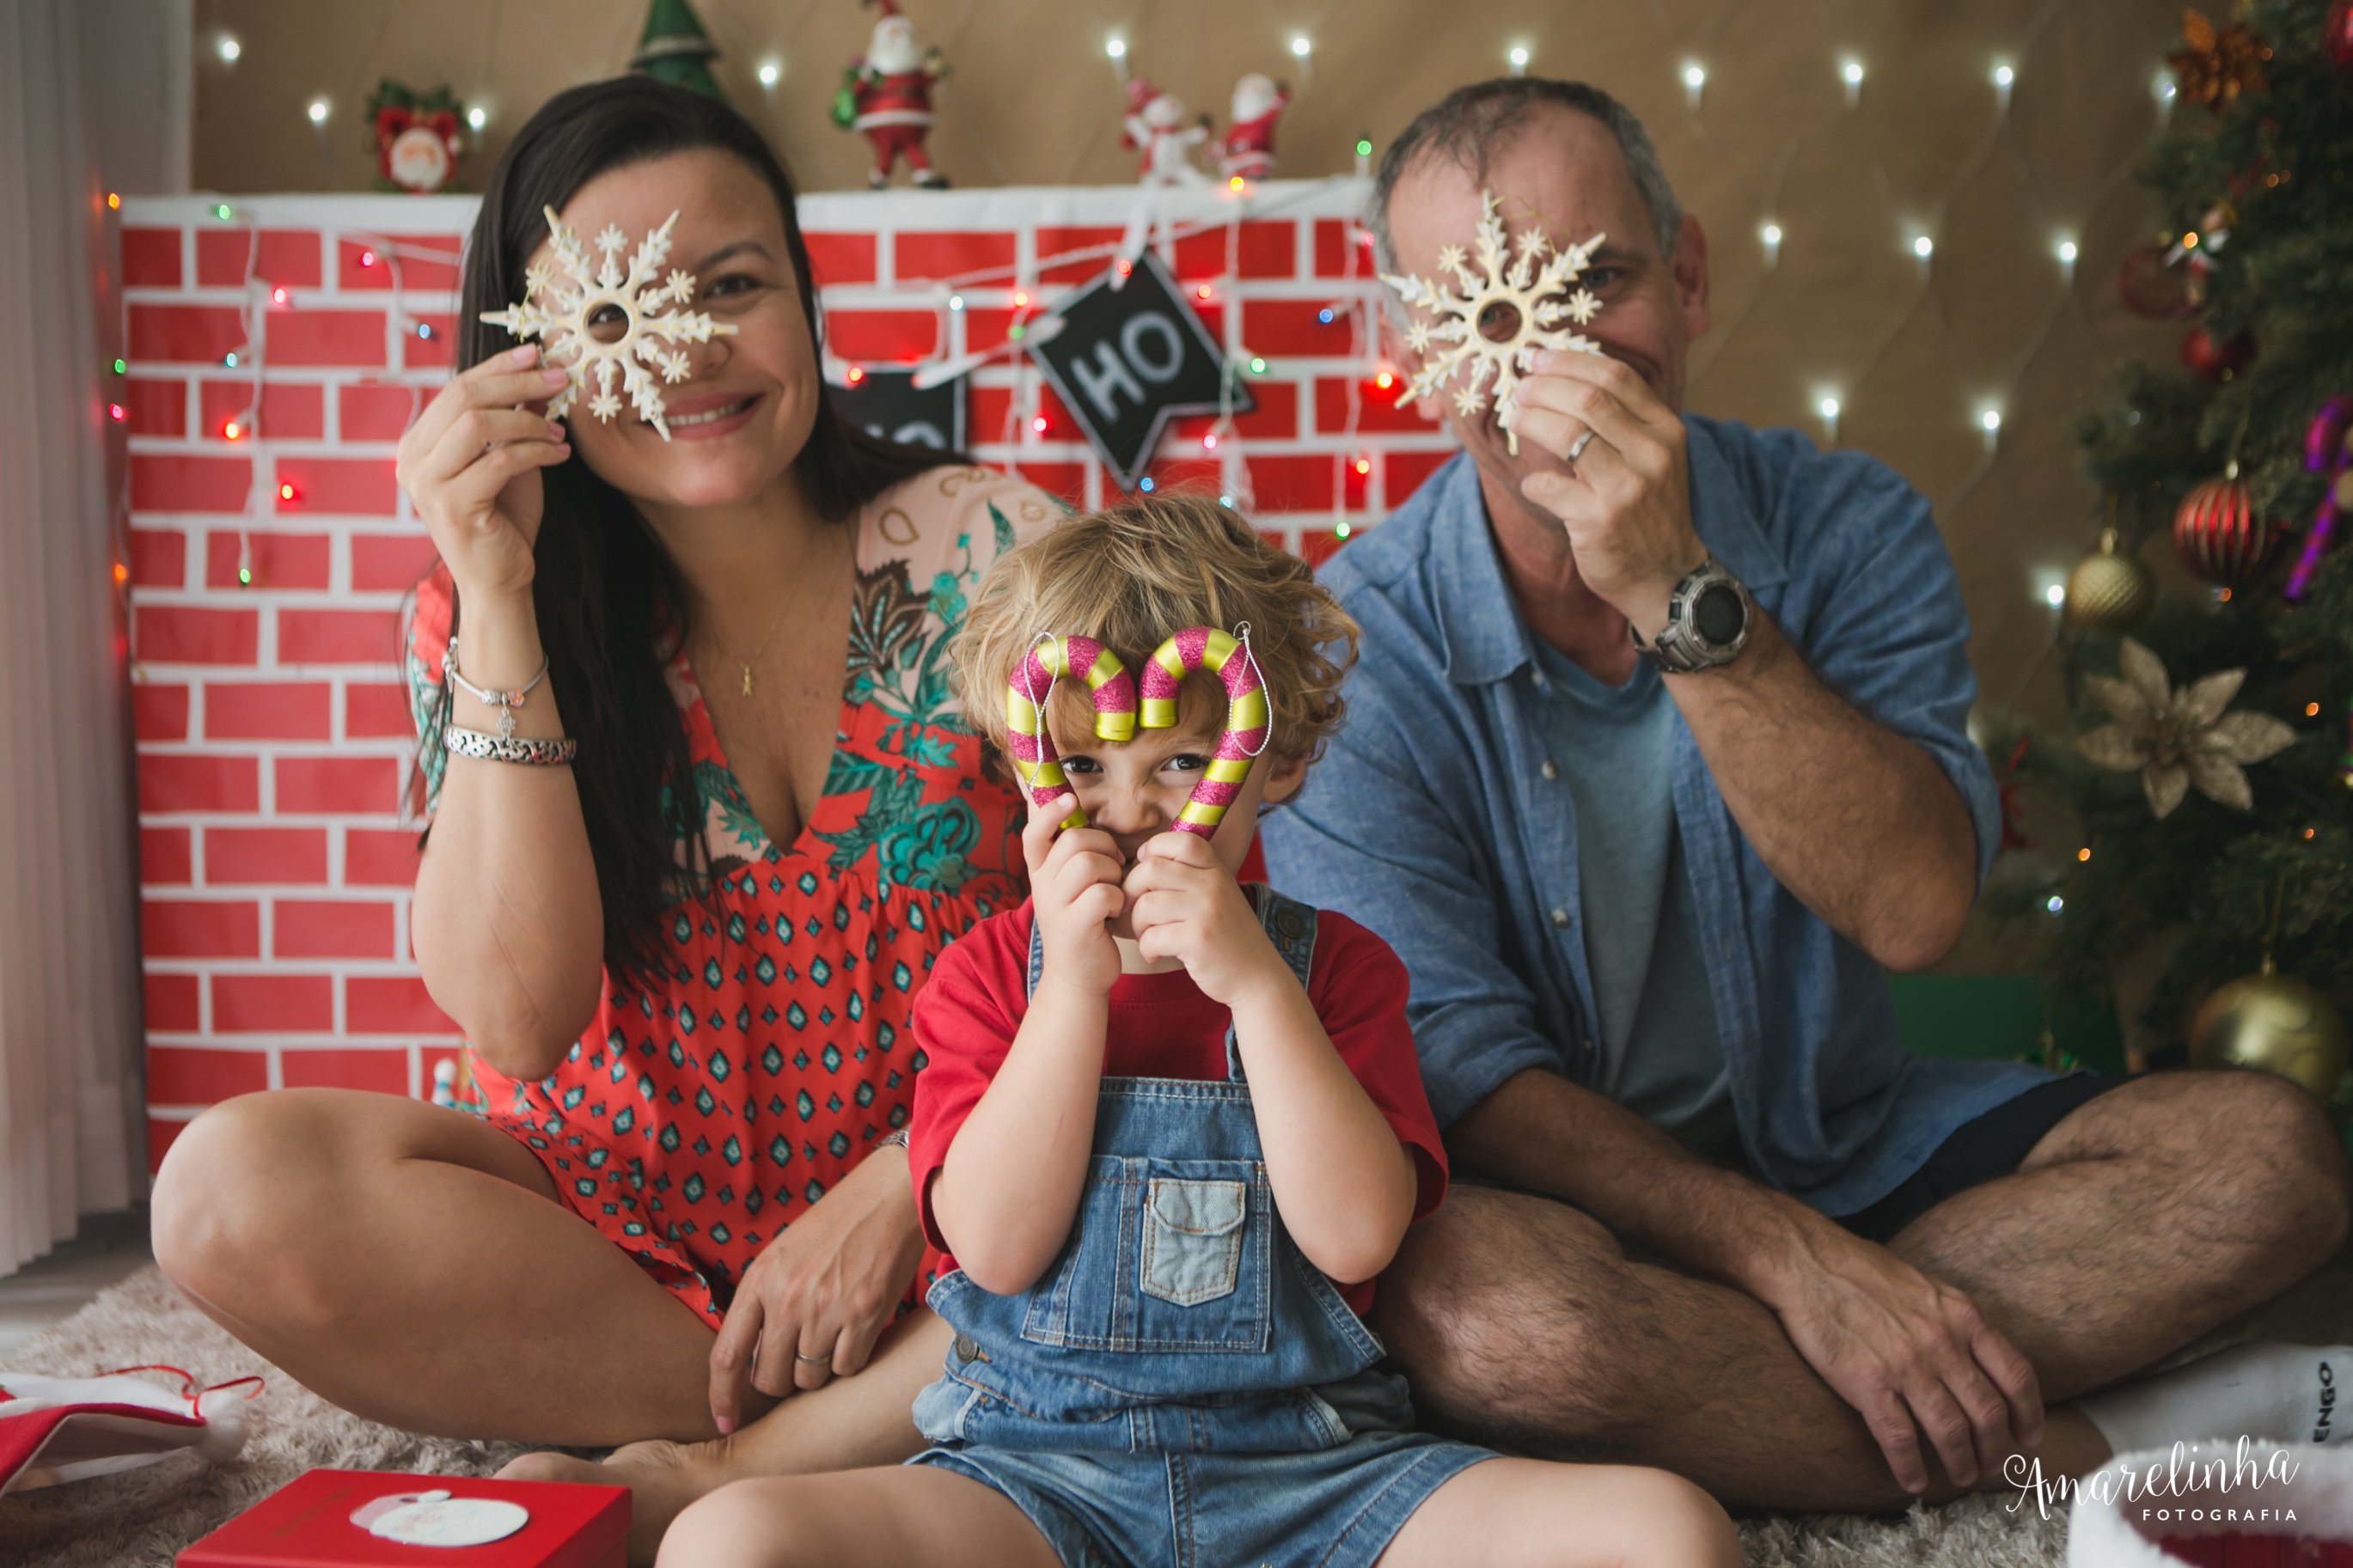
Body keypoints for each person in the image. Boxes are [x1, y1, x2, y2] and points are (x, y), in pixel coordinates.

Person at [1259, 76, 2353, 1511]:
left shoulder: (1846, 528)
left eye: (1597, 280)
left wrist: (1670, 588)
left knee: (2266, 1161)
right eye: (1487, 310)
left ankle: (1764, 1407)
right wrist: (1788, 1262)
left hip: (1847, 1142)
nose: (1554, 353)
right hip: (1573, 1210)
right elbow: (1462, 1073)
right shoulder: (1353, 649)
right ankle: (2091, 1449)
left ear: (1688, 274)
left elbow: (1913, 912)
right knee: (1482, 1320)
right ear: (1415, 350)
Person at [149, 77, 1063, 1557]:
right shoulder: (484, 608)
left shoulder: (997, 555)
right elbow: (516, 1022)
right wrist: (498, 601)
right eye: (625, 310)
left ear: (806, 298)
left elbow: (1145, 938)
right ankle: (824, 1432)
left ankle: (733, 1466)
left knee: (1169, 1194)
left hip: (961, 1216)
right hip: (618, 1234)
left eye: (735, 285)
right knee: (224, 1192)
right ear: (529, 355)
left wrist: (913, 1175)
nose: (689, 350)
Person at [657, 494, 1739, 1568]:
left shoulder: (1338, 976)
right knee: (727, 1540)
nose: (1128, 813)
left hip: (1317, 1477)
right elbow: (994, 1247)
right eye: (1081, 768)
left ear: (1277, 763)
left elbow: (1358, 1236)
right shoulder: (985, 978)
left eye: (1179, 763)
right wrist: (1070, 996)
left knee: (1669, 1532)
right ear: (1019, 767)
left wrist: (1260, 993)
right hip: (1034, 1477)